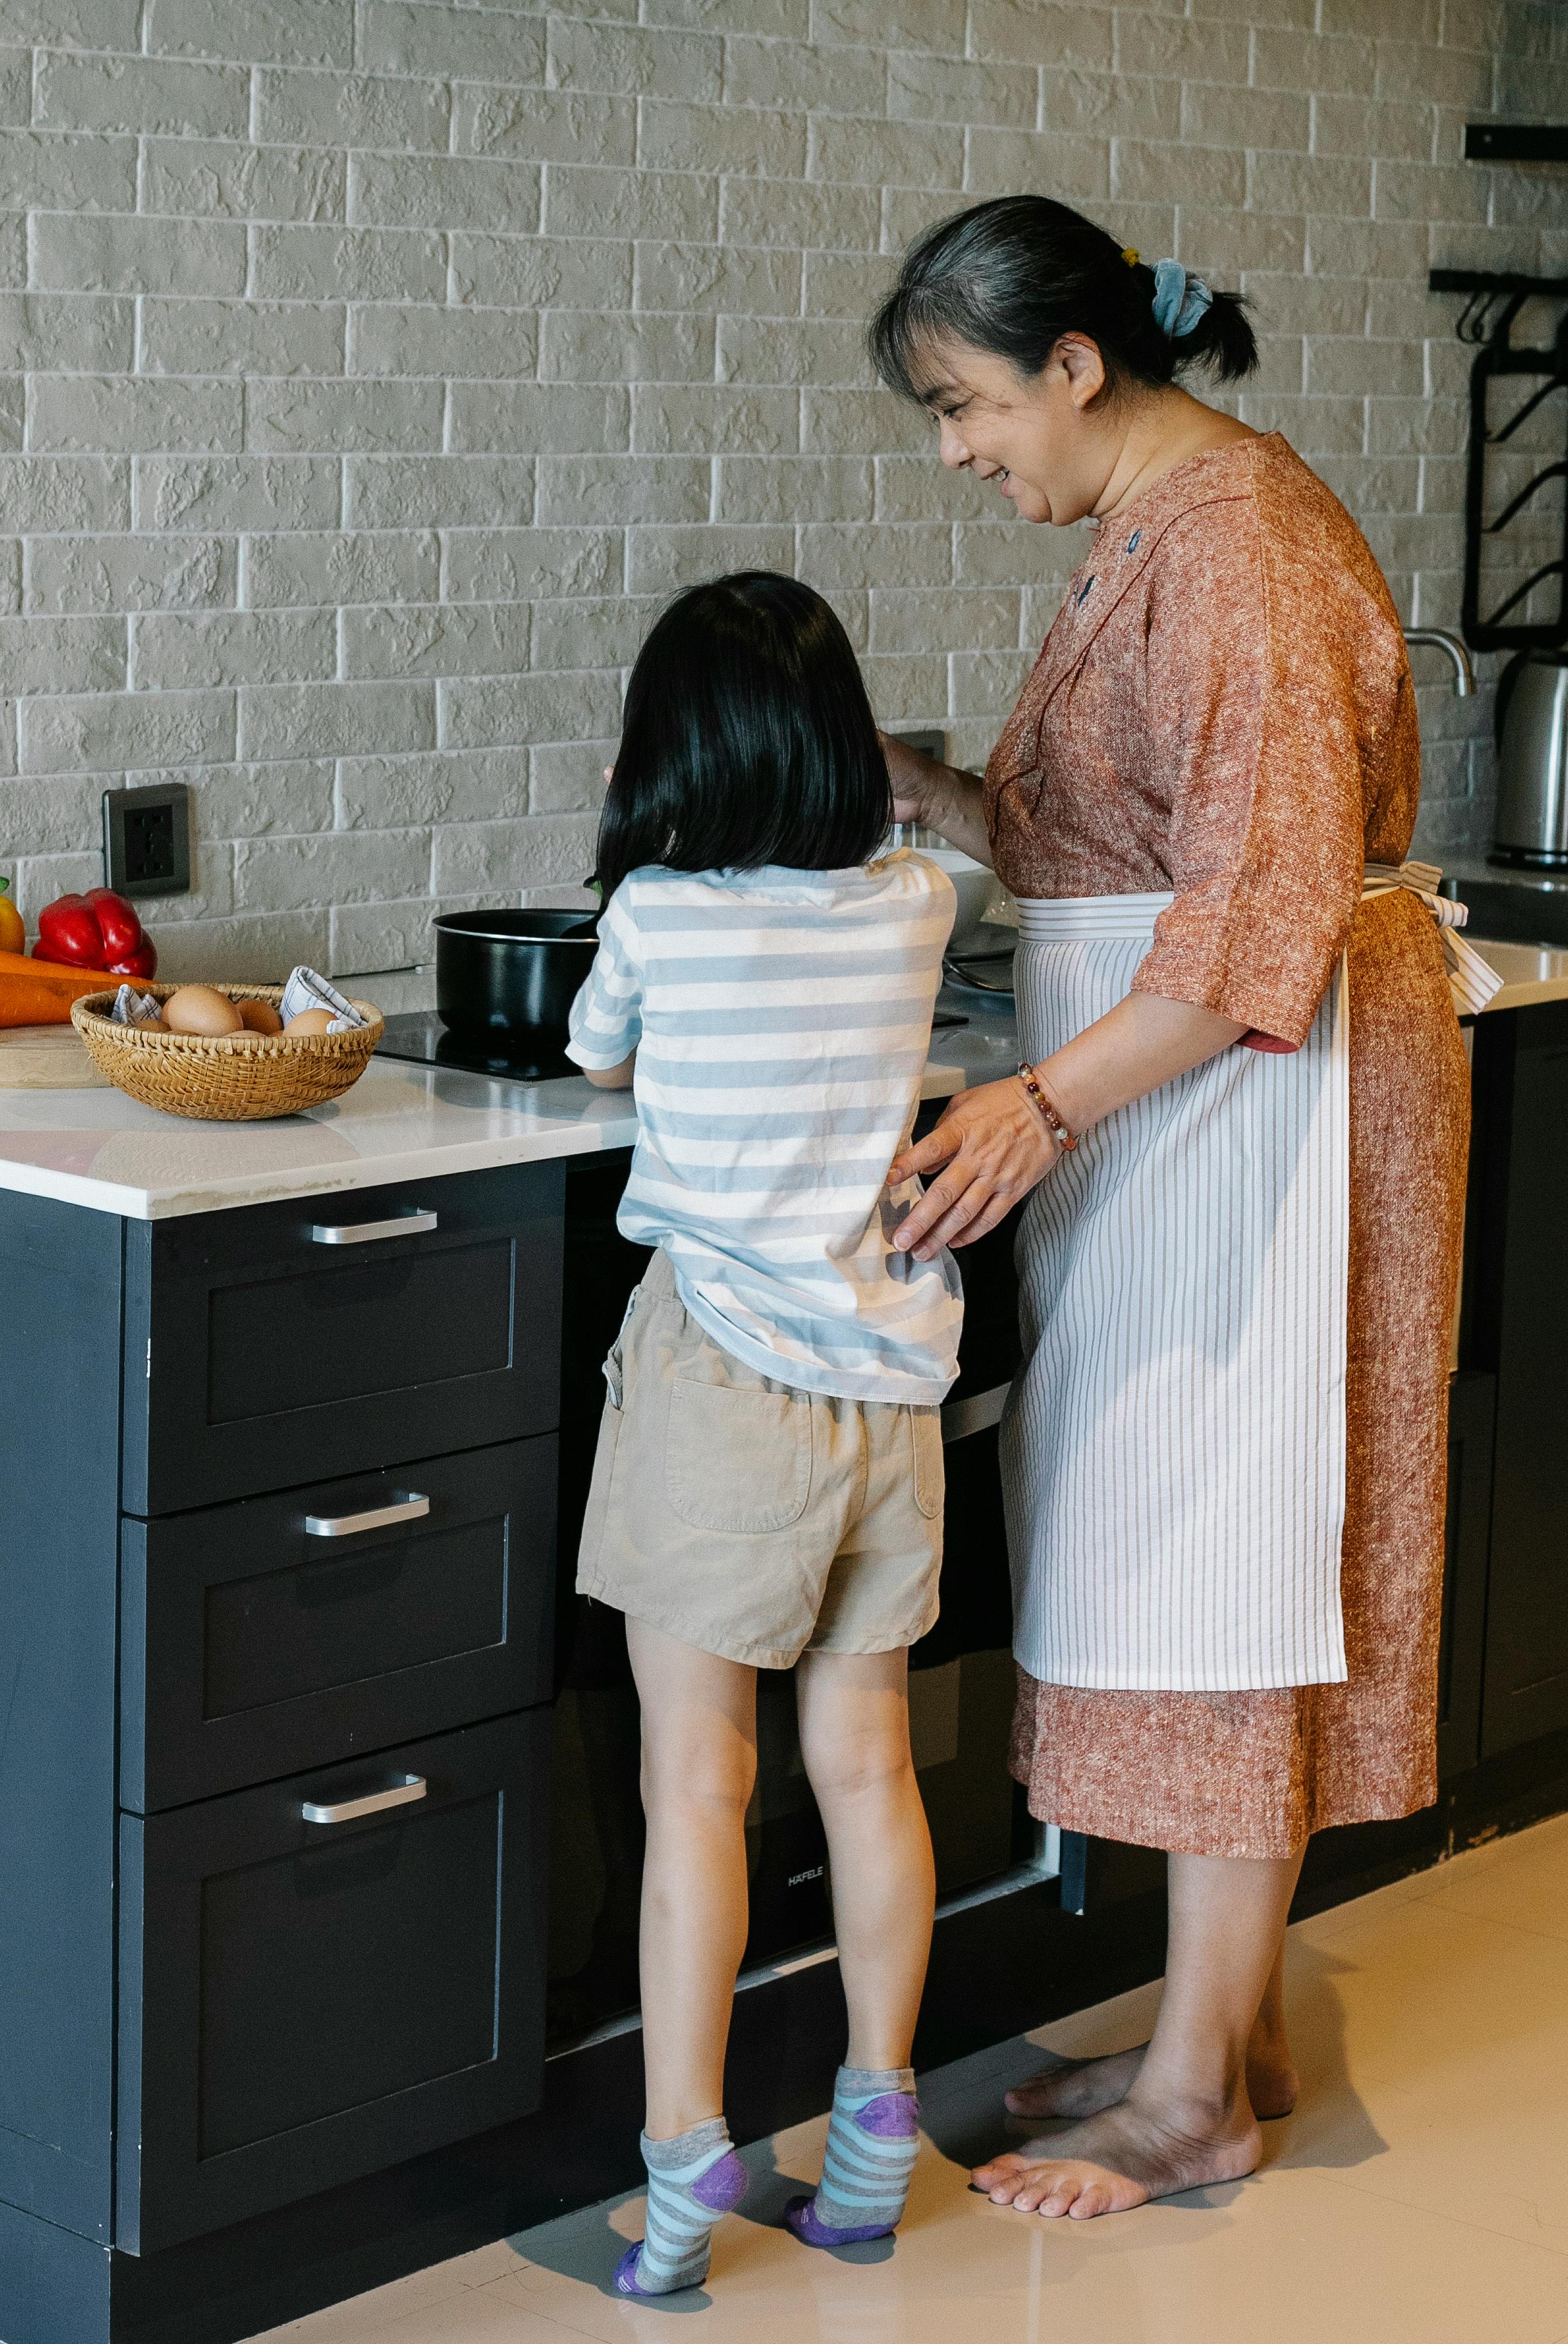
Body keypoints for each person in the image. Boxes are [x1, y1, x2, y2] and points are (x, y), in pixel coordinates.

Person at [865, 196, 1487, 2220]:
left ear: (1075, 368)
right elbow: (1120, 836)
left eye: (963, 406)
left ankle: (1203, 2091)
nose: (956, 450)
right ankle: (1224, 2028)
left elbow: (1247, 934)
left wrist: (1038, 1102)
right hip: (1193, 1106)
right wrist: (920, 790)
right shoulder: (1149, 529)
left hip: (1270, 1103)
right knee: (1193, 1528)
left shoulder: (1240, 549)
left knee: (1241, 1543)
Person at [565, 571, 963, 2297]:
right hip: (888, 1390)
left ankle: (678, 2164)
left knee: (695, 1784)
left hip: (722, 1380)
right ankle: (873, 2141)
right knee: (869, 1767)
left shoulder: (654, 911)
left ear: (675, 747)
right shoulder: (915, 900)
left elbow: (596, 1059)